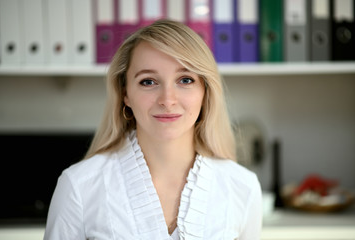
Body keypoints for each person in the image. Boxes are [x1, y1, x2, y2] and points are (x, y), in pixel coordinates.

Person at [44, 19, 262, 240]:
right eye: (148, 82)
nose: (167, 100)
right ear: (125, 94)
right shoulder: (79, 187)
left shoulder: (242, 187)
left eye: (185, 80)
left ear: (205, 92)